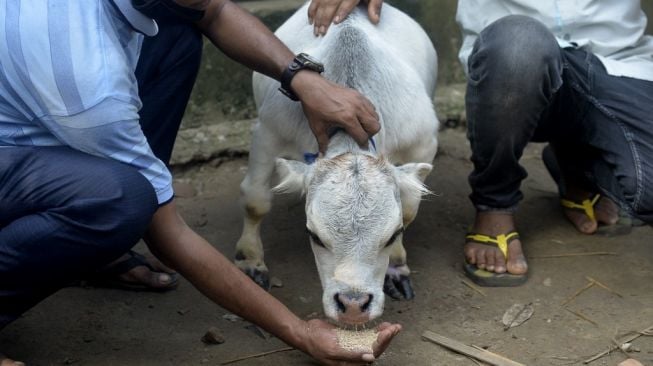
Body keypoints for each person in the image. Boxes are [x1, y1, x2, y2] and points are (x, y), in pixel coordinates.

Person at [0, 1, 400, 365]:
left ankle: (90, 246)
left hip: (38, 97)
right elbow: (170, 233)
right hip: (24, 135)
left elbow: (212, 11)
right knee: (122, 201)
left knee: (176, 37)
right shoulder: (90, 89)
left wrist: (302, 77)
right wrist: (300, 332)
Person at [306, 0, 653, 287]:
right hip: (512, 64)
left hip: (624, 64)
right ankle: (495, 202)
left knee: (645, 193)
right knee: (520, 42)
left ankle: (576, 163)